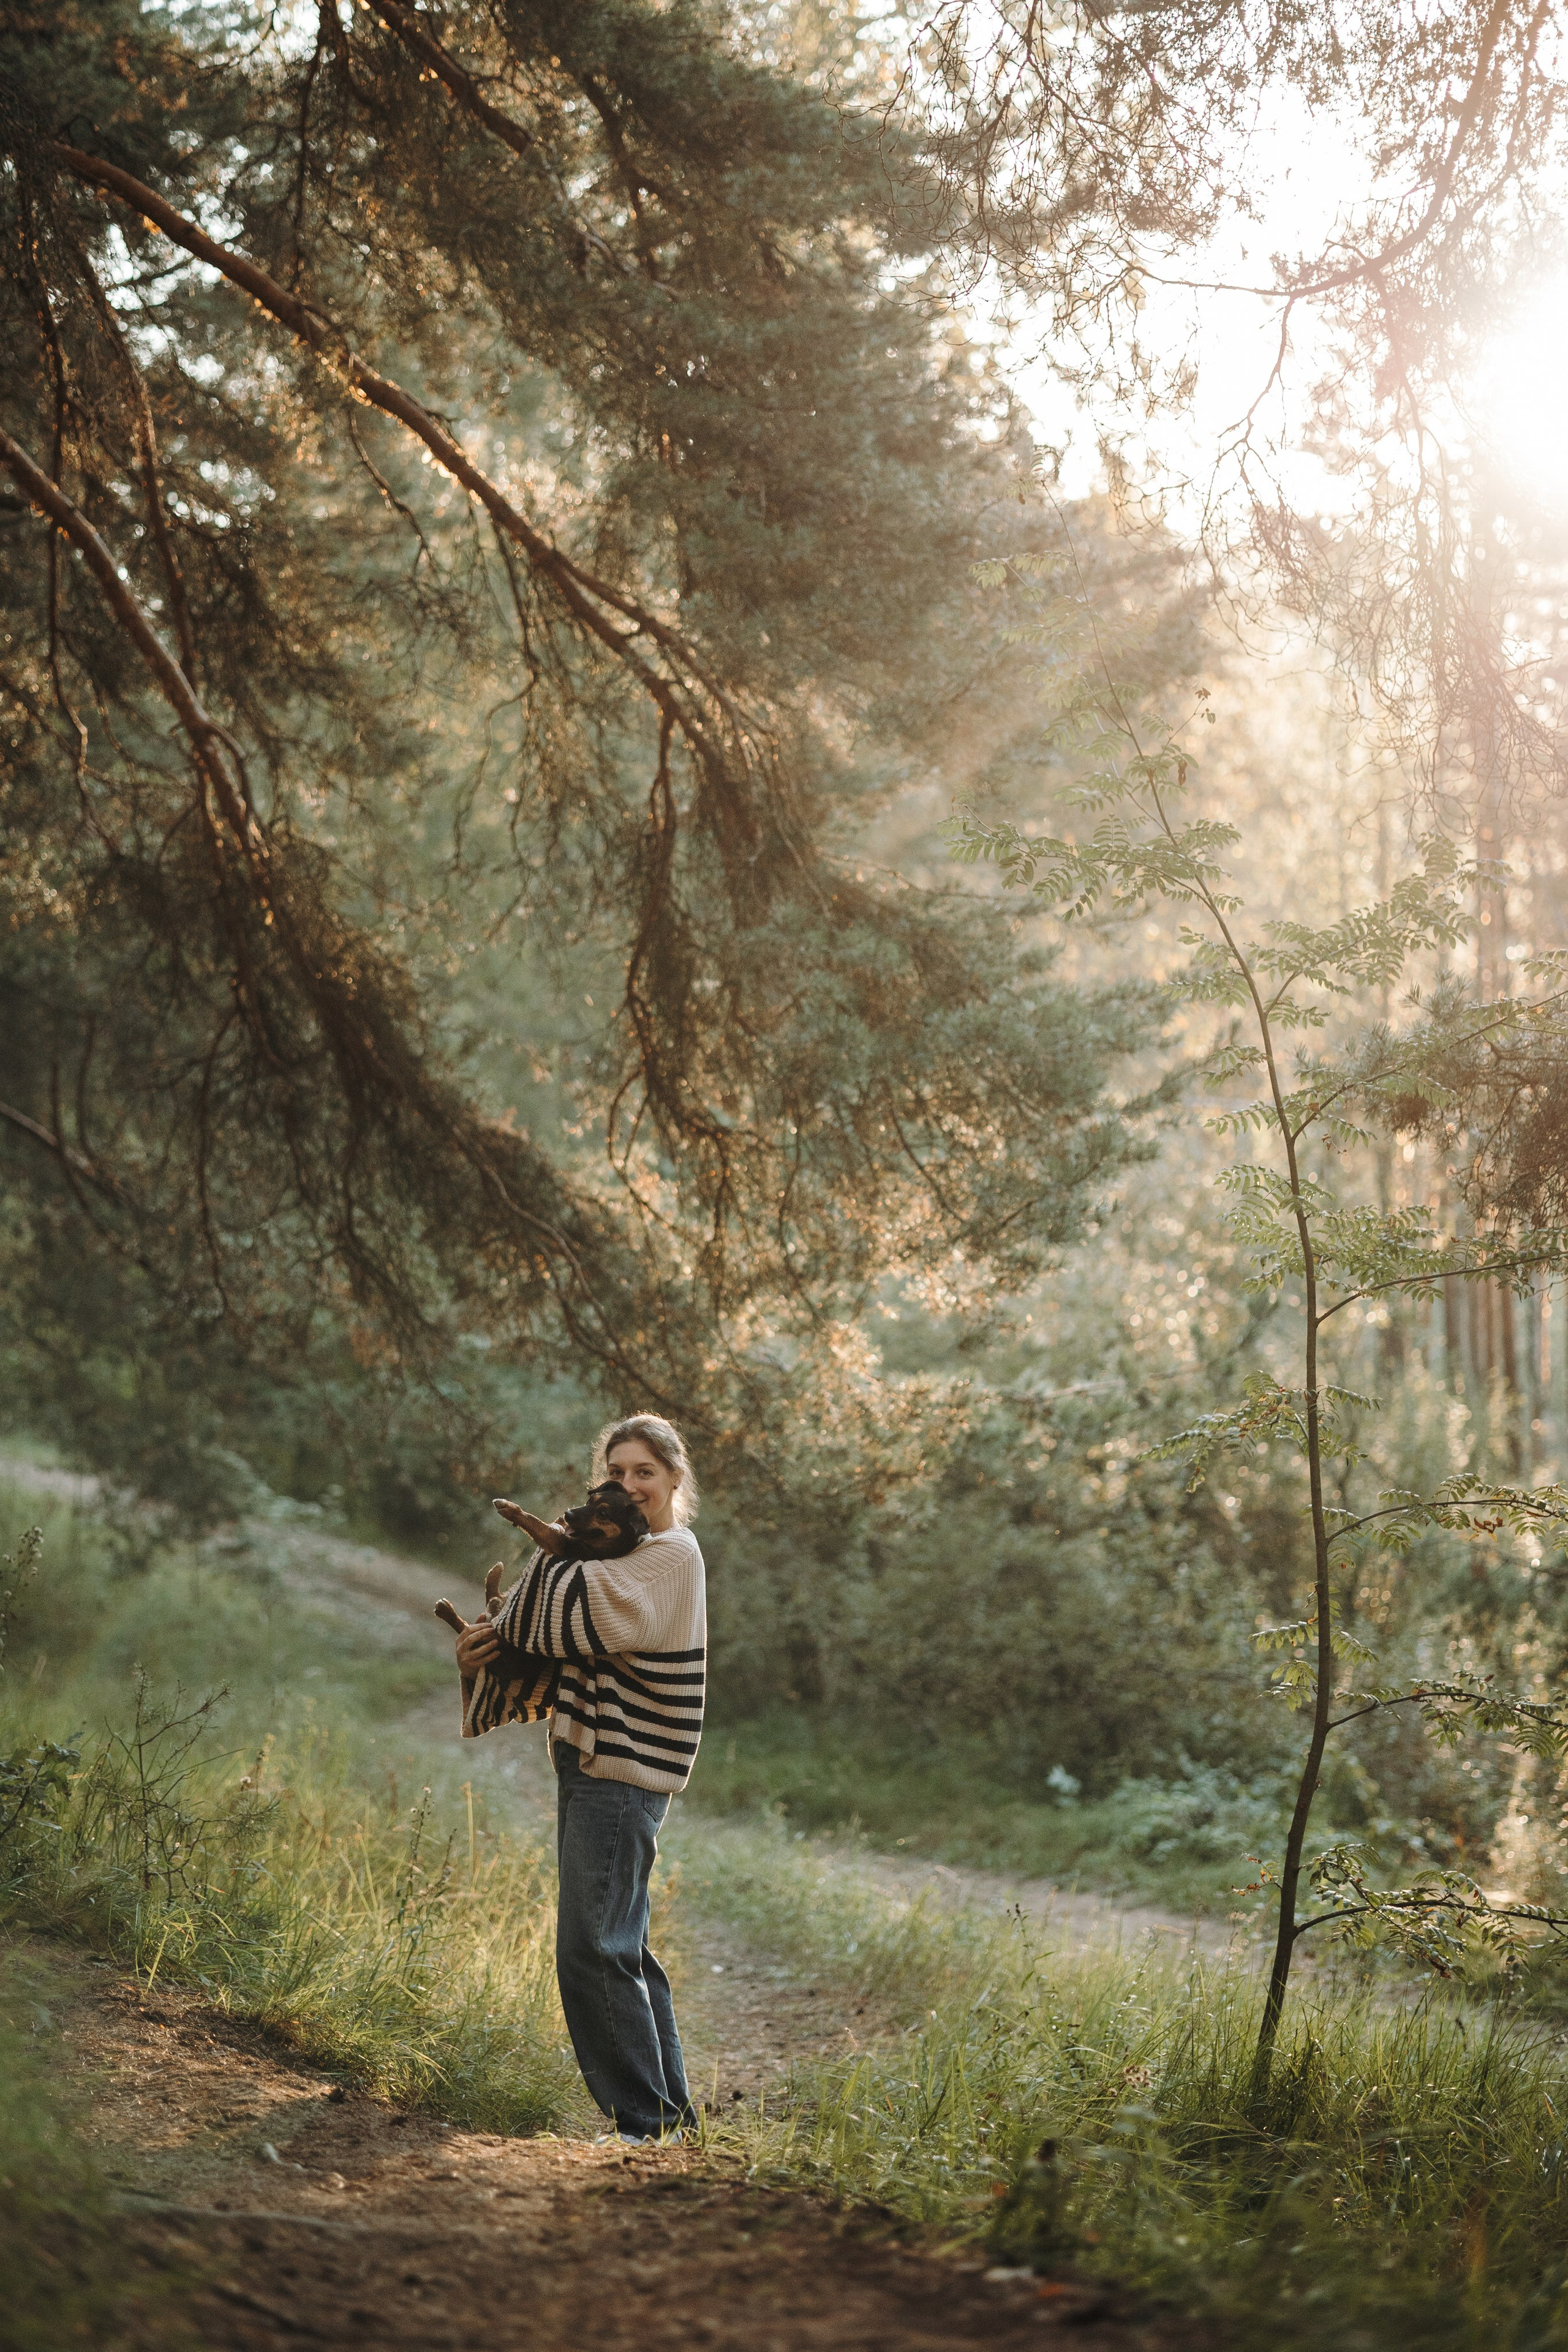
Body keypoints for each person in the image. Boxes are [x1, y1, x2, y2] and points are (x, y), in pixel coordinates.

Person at [454, 1414, 706, 2144]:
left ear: (673, 1480)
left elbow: (552, 1614)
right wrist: (485, 1653)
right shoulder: (629, 1555)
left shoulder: (667, 1557)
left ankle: (645, 2125)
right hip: (597, 1765)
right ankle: (672, 2124)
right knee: (619, 1945)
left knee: (592, 1946)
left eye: (645, 1473)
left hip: (622, 1774)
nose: (630, 1486)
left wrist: (554, 1558)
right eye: (617, 1472)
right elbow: (551, 1641)